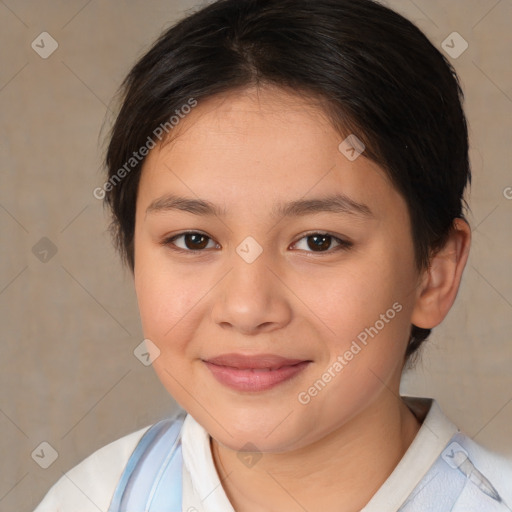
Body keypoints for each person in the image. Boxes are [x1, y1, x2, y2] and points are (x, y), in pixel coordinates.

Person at [34, 0, 512, 510]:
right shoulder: (92, 498)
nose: (246, 308)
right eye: (194, 240)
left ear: (434, 273)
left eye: (318, 241)